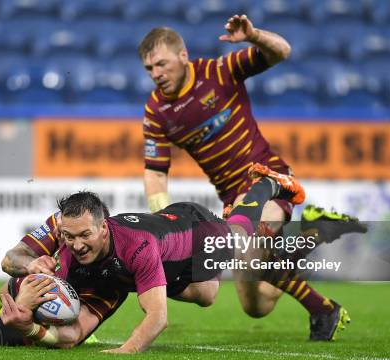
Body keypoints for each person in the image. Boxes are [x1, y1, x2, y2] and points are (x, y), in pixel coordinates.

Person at [138, 15, 361, 340]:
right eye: (149, 69)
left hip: (268, 179)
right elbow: (155, 173)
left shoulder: (219, 71)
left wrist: (255, 36)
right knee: (256, 305)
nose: (156, 74)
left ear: (182, 55)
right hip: (234, 198)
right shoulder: (156, 111)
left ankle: (324, 309)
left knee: (245, 242)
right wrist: (164, 220)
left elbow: (281, 52)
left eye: (161, 64)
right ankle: (306, 239)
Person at [0, 191, 234, 353]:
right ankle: (18, 307)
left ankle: (246, 205)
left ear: (103, 228)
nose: (77, 245)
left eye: (85, 235)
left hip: (200, 229)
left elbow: (158, 319)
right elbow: (10, 260)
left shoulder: (136, 247)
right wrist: (31, 273)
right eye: (70, 237)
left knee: (206, 295)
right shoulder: (61, 225)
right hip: (113, 279)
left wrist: (127, 350)